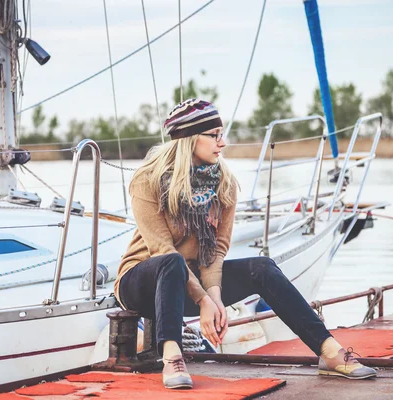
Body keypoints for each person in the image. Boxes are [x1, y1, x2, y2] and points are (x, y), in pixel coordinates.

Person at [113, 98, 376, 389]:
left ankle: (328, 351)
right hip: (141, 283)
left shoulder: (222, 181)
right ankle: (173, 358)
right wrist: (203, 301)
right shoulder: (147, 180)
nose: (222, 143)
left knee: (262, 267)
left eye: (222, 134)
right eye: (214, 135)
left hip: (189, 282)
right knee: (172, 261)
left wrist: (213, 296)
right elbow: (161, 249)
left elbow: (215, 249)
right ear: (188, 138)